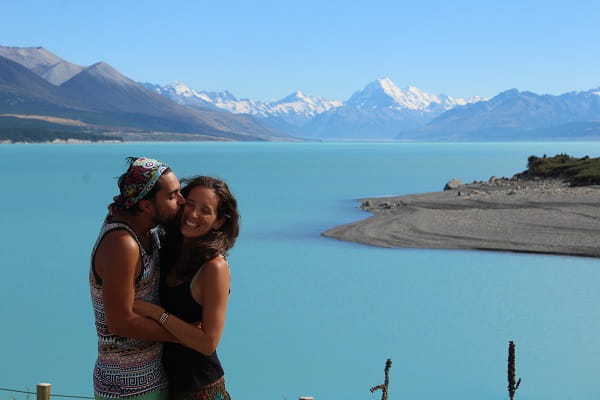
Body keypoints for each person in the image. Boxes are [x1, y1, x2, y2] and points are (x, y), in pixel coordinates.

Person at [133, 176, 240, 400]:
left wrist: (156, 314)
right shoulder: (170, 252)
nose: (192, 215)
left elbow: (207, 342)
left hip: (200, 389)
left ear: (219, 221)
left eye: (205, 210)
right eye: (189, 204)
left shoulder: (214, 268)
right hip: (162, 384)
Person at [90, 157, 185, 400]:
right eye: (172, 195)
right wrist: (184, 334)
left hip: (148, 379)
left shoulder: (145, 231)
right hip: (126, 386)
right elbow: (121, 322)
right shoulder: (122, 244)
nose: (182, 201)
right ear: (145, 205)